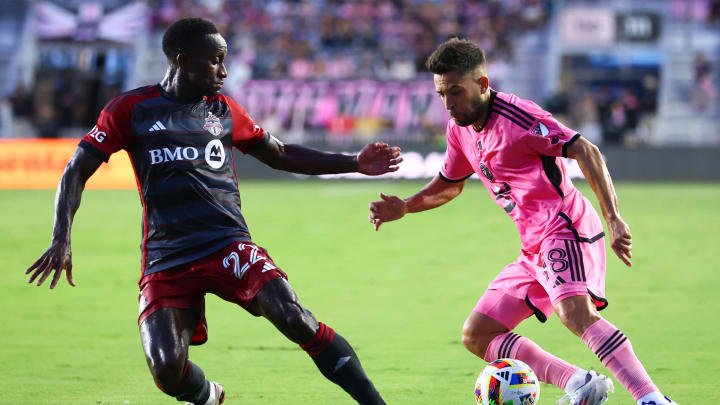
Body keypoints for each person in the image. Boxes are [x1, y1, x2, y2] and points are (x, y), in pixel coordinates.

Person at [25, 18, 401, 405]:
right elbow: (76, 169)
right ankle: (207, 395)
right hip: (167, 255)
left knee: (293, 317)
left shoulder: (223, 111)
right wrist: (61, 237)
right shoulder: (130, 110)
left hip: (227, 244)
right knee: (167, 370)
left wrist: (352, 163)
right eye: (215, 61)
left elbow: (281, 154)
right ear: (184, 61)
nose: (224, 71)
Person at [368, 38, 677, 405]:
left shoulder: (518, 116)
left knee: (575, 313)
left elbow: (584, 149)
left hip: (565, 227)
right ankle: (581, 383)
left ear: (482, 84)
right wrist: (406, 206)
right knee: (477, 335)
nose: (449, 103)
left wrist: (614, 218)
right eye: (441, 94)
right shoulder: (460, 128)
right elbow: (450, 184)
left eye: (455, 91)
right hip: (532, 245)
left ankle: (653, 400)